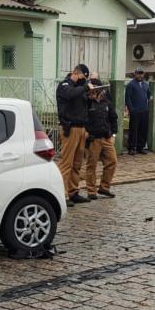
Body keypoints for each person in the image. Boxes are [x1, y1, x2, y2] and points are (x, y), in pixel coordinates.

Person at [56, 64, 90, 206]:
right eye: (83, 77)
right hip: (70, 128)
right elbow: (70, 94)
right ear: (76, 73)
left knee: (77, 163)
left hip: (81, 128)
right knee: (66, 163)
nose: (84, 80)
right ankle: (61, 194)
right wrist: (84, 88)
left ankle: (73, 191)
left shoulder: (80, 88)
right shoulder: (64, 85)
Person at [84, 79, 118, 200]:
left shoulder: (107, 102)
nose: (93, 92)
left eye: (95, 90)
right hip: (93, 139)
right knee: (91, 165)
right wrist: (86, 132)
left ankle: (104, 187)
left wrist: (113, 135)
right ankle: (91, 190)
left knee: (112, 161)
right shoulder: (87, 103)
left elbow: (114, 118)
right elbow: (82, 119)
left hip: (106, 138)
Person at [125, 68, 152, 155]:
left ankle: (141, 147)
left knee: (143, 129)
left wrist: (150, 97)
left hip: (144, 110)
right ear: (135, 74)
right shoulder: (131, 85)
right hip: (135, 111)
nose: (140, 75)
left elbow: (149, 94)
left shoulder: (146, 84)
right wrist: (131, 109)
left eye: (141, 73)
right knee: (134, 130)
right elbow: (127, 98)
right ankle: (132, 148)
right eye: (138, 73)